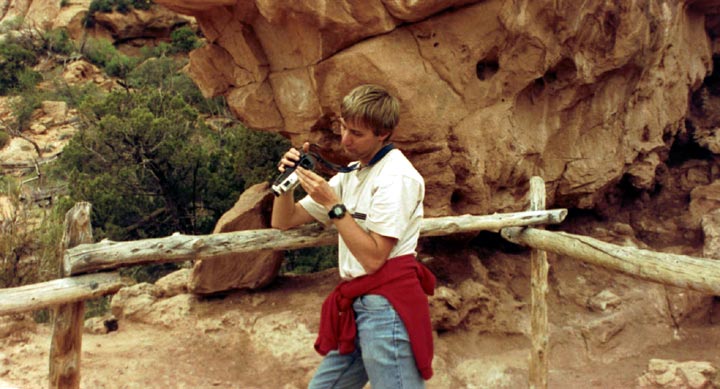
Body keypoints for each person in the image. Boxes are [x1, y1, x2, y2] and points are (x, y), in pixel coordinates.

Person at [271, 84, 436, 389]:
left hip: (387, 308)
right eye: (344, 127)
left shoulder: (396, 178)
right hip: (358, 304)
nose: (346, 139)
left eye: (357, 133)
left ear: (382, 134)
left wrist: (333, 205)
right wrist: (288, 181)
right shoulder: (352, 173)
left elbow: (373, 259)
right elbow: (284, 221)